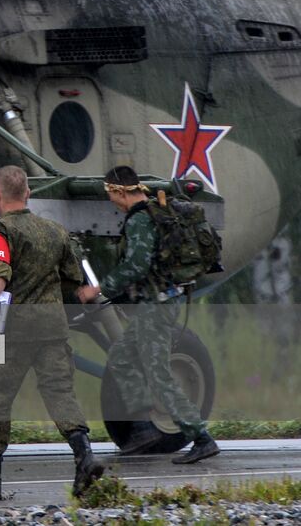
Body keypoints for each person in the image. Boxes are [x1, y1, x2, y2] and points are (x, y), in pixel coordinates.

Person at [0, 165, 103, 500]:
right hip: (53, 328)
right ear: (28, 194)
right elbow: (72, 281)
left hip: (14, 332)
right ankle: (85, 457)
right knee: (60, 395)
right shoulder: (55, 231)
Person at [77, 165, 218, 464]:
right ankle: (143, 427)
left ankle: (201, 437)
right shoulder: (153, 214)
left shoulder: (140, 220)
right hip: (157, 303)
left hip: (157, 306)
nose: (110, 200)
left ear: (117, 190)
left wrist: (100, 289)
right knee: (121, 358)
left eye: (109, 193)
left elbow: (136, 266)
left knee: (158, 374)